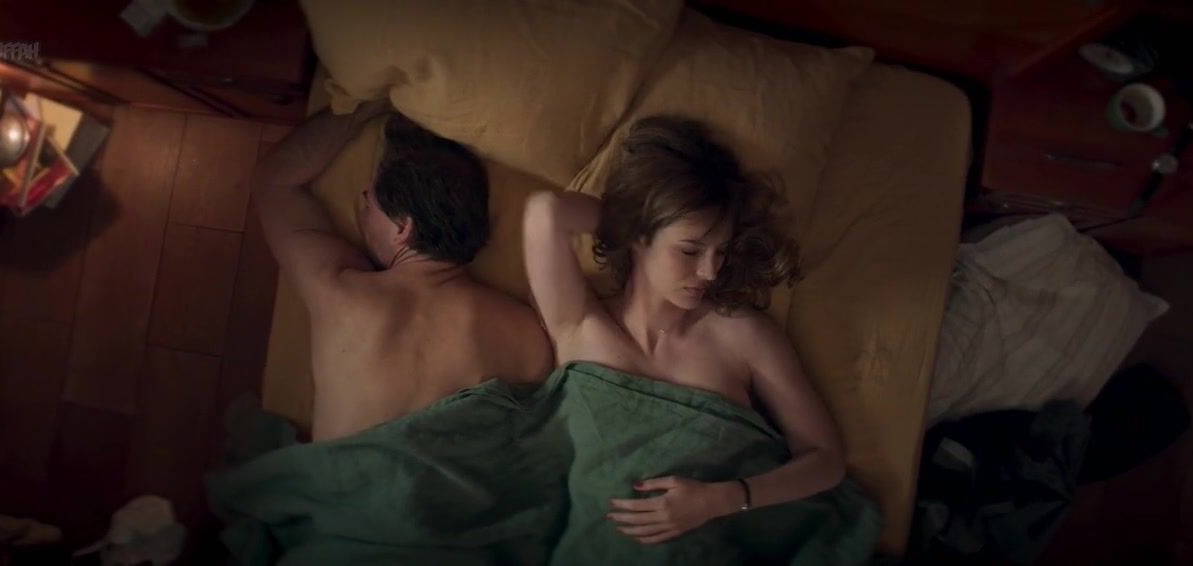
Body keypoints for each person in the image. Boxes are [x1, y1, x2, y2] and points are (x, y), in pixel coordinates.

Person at [522, 116, 845, 544]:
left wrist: (723, 499)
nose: (709, 271)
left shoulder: (743, 335)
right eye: (690, 250)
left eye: (720, 251)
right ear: (640, 236)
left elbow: (826, 460)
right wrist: (632, 220)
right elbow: (546, 211)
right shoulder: (579, 322)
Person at [253, 102, 553, 442]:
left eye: (369, 201)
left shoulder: (340, 292)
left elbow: (273, 179)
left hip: (347, 474)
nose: (362, 211)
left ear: (402, 228)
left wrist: (364, 104)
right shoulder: (530, 336)